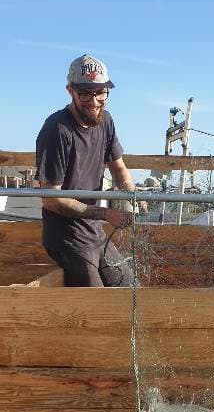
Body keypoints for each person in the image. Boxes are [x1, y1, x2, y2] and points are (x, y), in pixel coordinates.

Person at [36, 54, 146, 287]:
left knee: (132, 291)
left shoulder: (106, 121)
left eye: (100, 92)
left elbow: (119, 168)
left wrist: (132, 194)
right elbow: (51, 200)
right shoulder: (57, 130)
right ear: (70, 90)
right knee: (97, 304)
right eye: (85, 93)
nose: (94, 101)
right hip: (67, 238)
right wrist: (106, 214)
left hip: (95, 233)